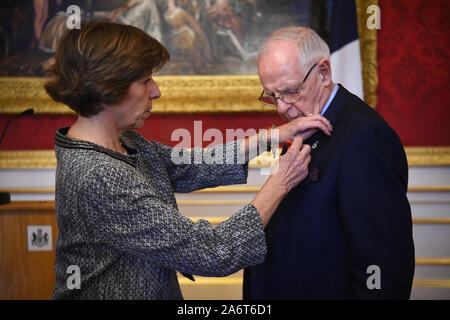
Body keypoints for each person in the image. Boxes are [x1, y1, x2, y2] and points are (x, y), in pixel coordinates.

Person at [44, 21, 333, 300]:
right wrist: (280, 181)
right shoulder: (99, 176)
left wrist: (272, 136)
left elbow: (193, 165)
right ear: (107, 88)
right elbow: (214, 252)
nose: (156, 91)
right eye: (145, 81)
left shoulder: (124, 142)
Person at [243, 27, 415, 300]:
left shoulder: (364, 136)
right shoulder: (303, 124)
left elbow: (383, 263)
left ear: (323, 72)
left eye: (290, 91)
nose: (281, 108)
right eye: (271, 96)